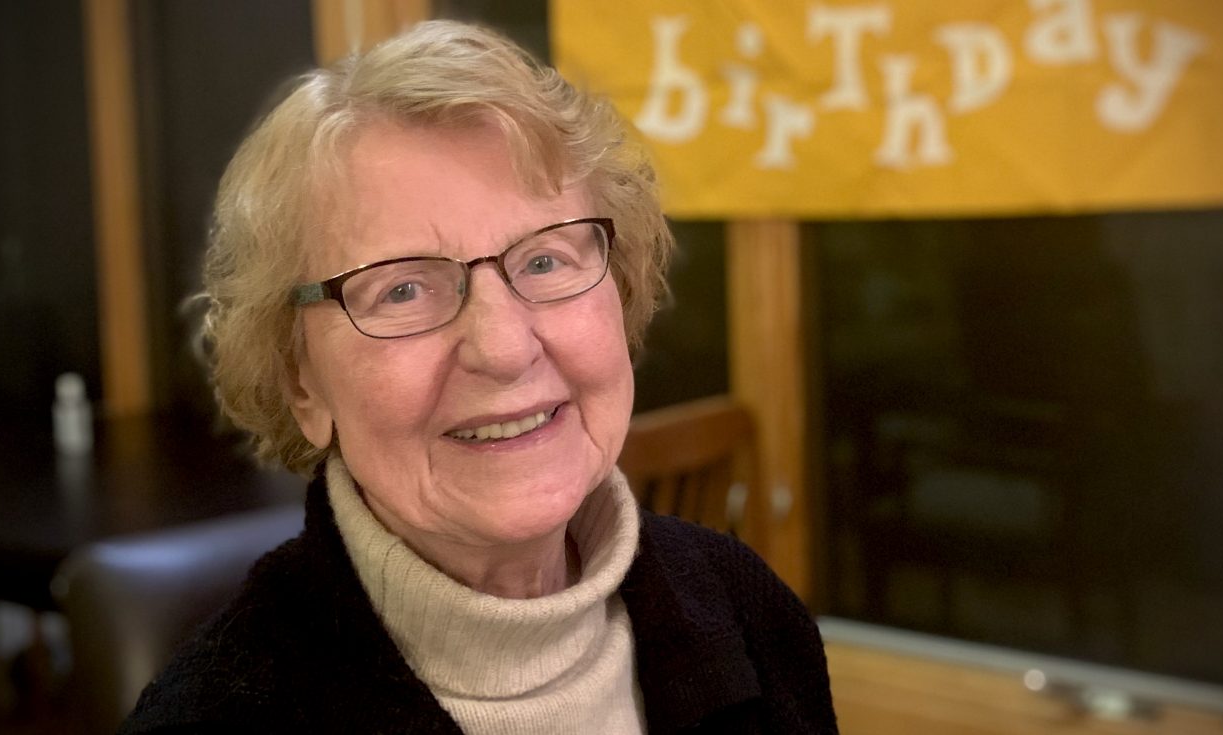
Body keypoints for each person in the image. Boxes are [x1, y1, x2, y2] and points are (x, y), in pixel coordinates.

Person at [121, 19, 835, 734]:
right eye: (401, 289)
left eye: (545, 260)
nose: (502, 346)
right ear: (302, 382)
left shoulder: (749, 611)